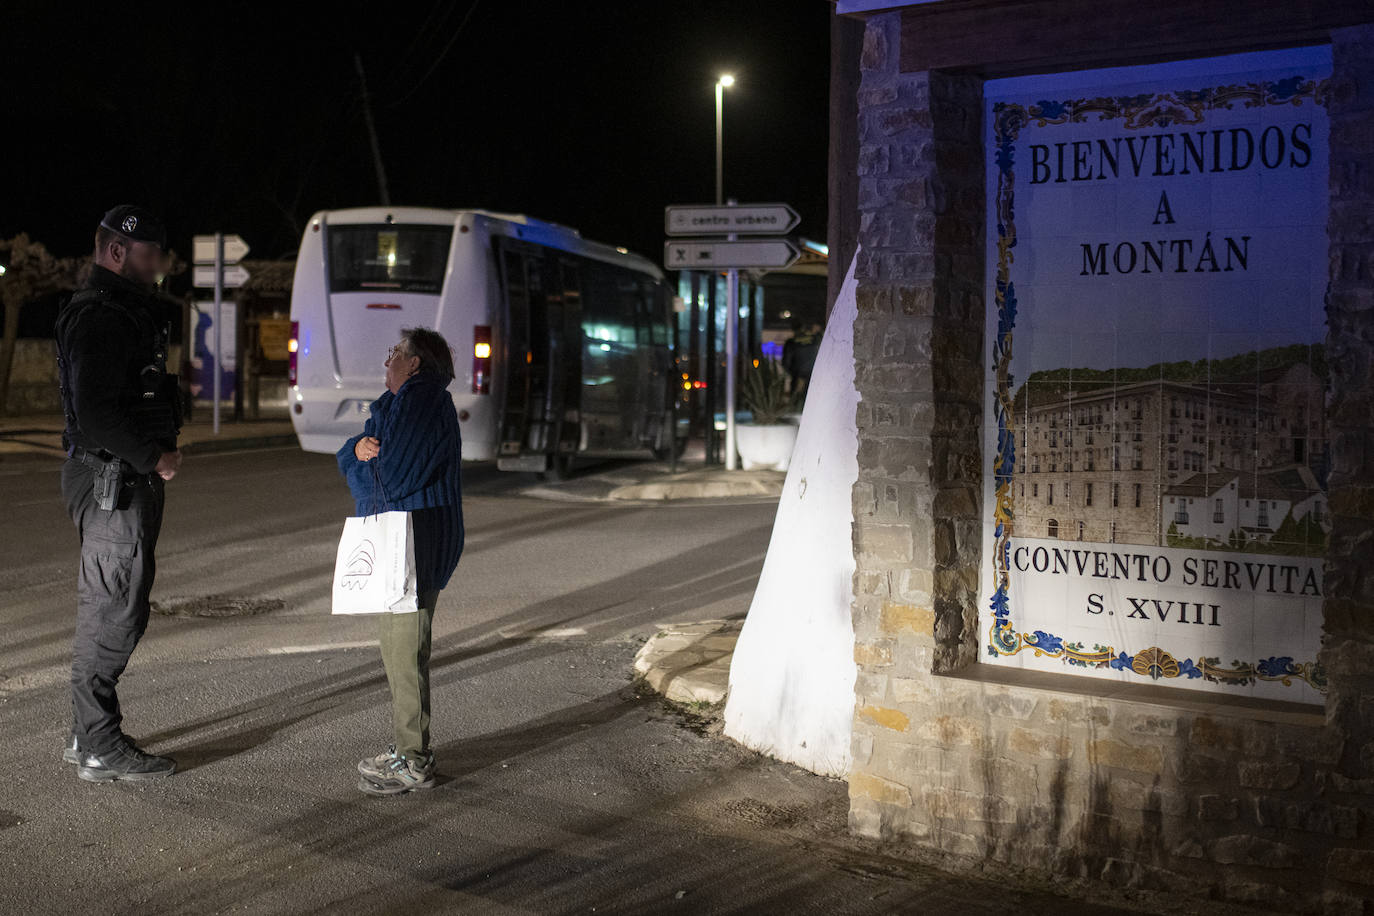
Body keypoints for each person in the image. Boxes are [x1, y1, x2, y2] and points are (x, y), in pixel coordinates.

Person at [56, 205, 183, 782]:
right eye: (150, 254)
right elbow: (97, 411)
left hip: (117, 479)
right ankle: (99, 745)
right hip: (114, 482)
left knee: (112, 605)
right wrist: (153, 456)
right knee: (114, 612)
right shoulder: (102, 317)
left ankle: (88, 734)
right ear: (115, 252)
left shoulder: (119, 311)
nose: (159, 265)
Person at [337, 327, 464, 796]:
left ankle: (413, 761)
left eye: (394, 353)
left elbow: (390, 479)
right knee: (398, 653)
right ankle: (406, 751)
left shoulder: (422, 402)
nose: (386, 359)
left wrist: (361, 463)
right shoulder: (393, 405)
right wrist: (355, 450)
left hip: (416, 543)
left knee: (406, 654)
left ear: (414, 364)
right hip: (398, 544)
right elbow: (354, 456)